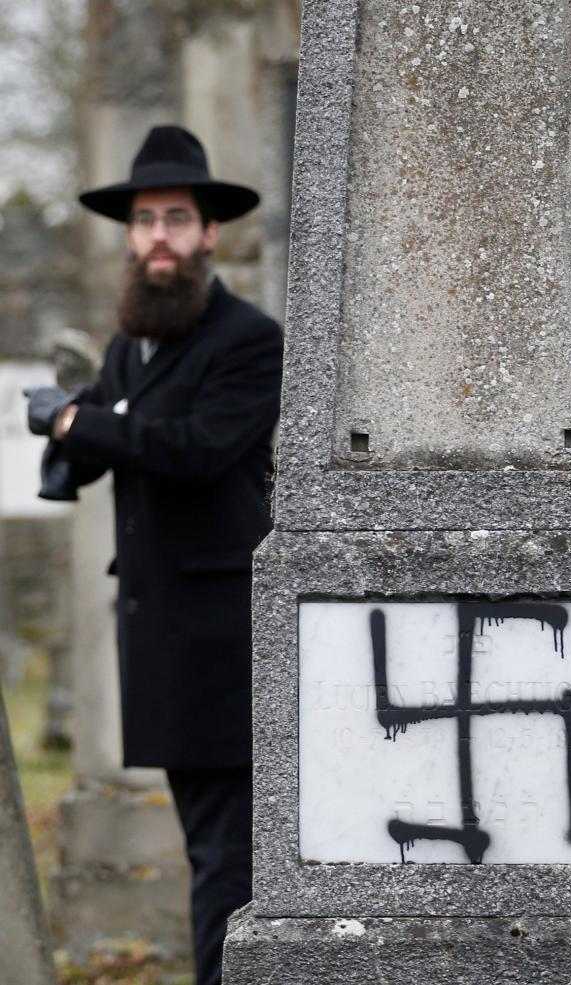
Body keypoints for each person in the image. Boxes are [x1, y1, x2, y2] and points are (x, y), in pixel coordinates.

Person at [25, 125, 283, 985]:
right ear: (129, 237)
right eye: (144, 220)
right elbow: (103, 440)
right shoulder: (131, 344)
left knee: (227, 860)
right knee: (210, 849)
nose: (158, 236)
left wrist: (75, 419)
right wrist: (66, 430)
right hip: (166, 641)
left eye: (176, 218)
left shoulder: (248, 339)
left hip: (225, 646)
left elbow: (194, 449)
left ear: (210, 231)